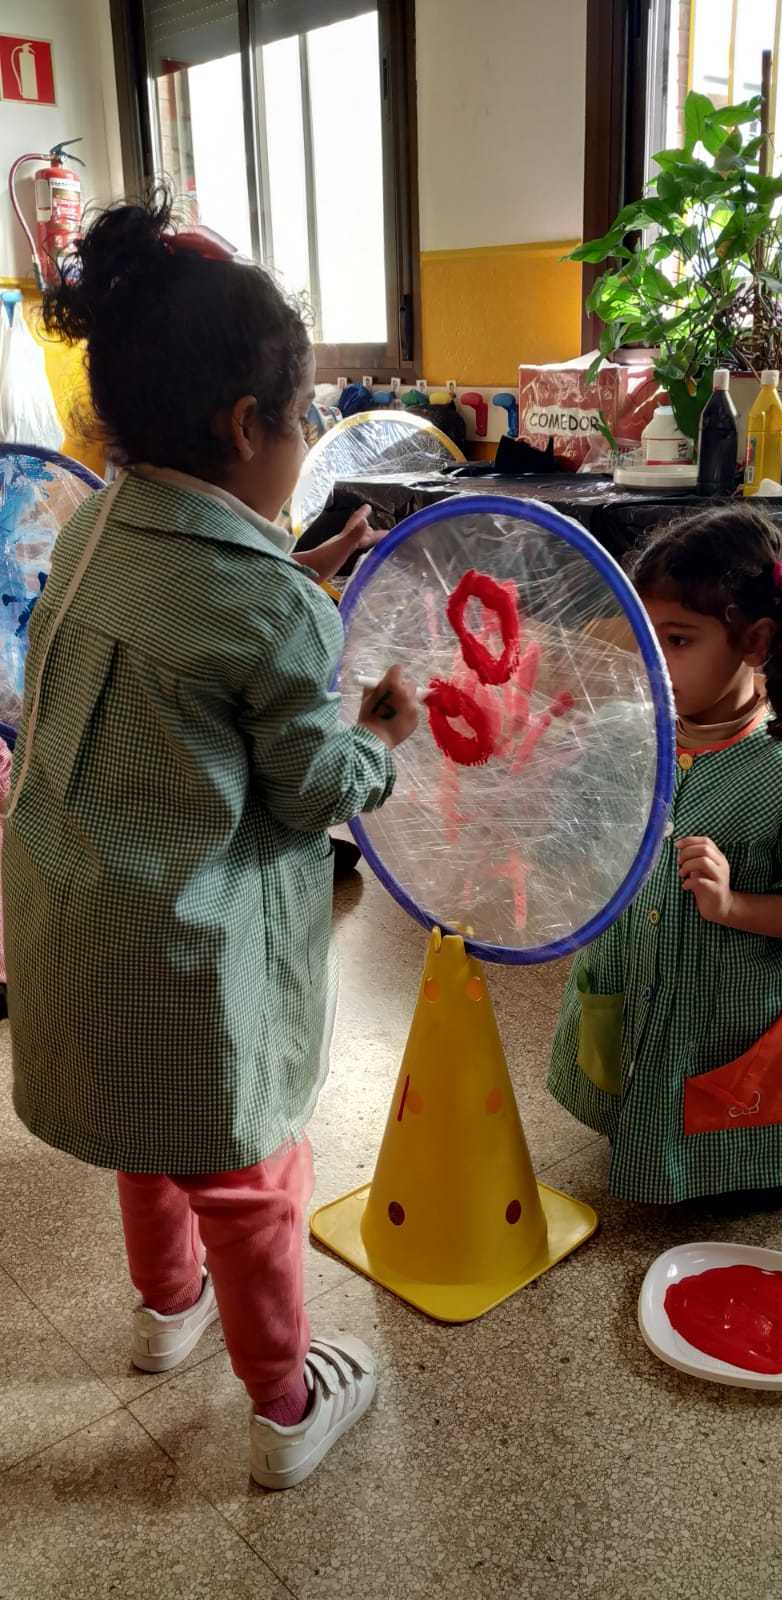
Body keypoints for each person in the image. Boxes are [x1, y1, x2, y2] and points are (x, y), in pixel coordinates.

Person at [3, 193, 419, 1490]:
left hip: (71, 923)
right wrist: (379, 737)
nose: (303, 443)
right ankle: (287, 1406)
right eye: (303, 418)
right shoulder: (270, 608)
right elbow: (309, 790)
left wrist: (303, 570)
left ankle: (163, 1310)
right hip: (191, 957)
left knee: (151, 1130)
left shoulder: (94, 528)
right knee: (250, 1175)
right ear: (249, 427)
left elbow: (203, 616)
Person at [549, 503, 782, 1211]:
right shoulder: (629, 734)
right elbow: (577, 830)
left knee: (758, 1183)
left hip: (725, 1022)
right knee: (638, 1110)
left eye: (678, 640)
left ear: (755, 641)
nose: (653, 660)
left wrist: (735, 905)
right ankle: (650, 1140)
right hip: (630, 990)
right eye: (646, 636)